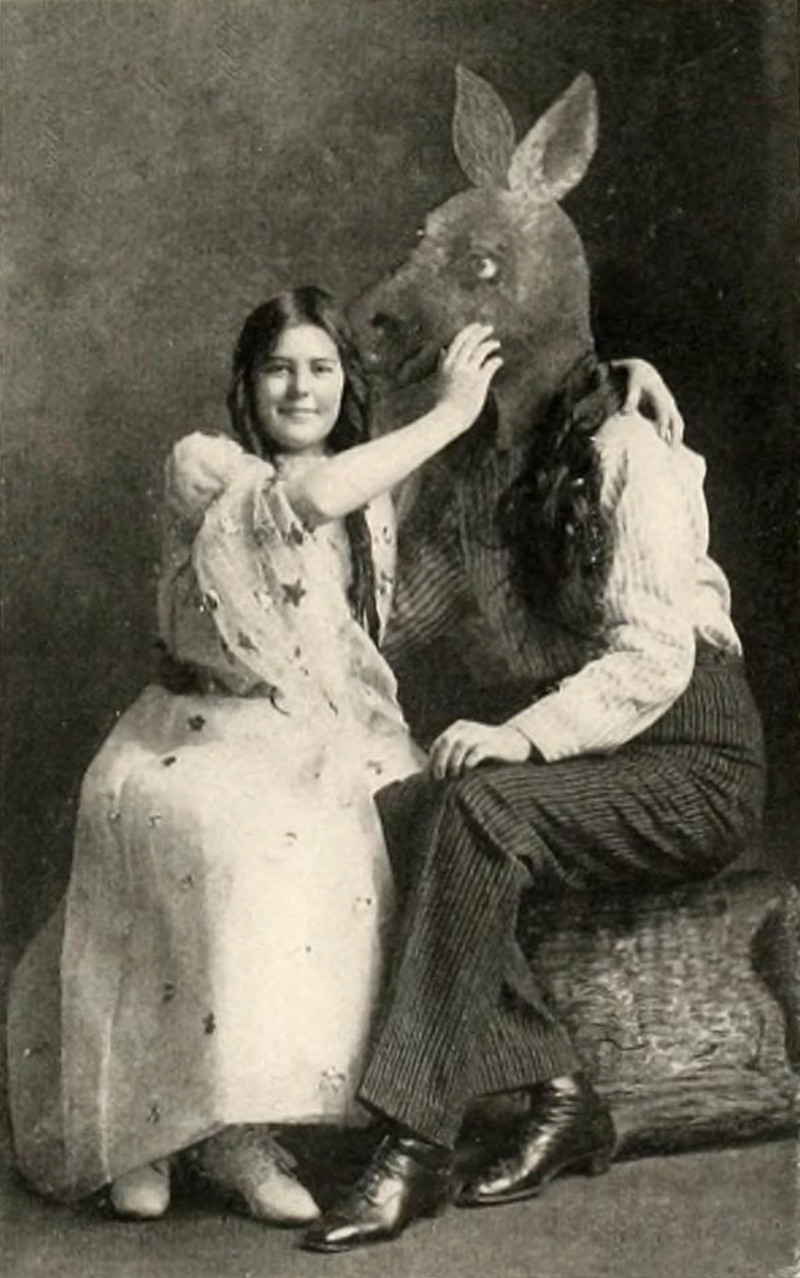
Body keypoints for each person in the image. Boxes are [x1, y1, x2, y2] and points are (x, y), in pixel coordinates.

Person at [7, 285, 677, 1227]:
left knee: (410, 823)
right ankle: (158, 1130)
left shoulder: (375, 495)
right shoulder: (209, 466)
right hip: (194, 732)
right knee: (226, 832)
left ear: (346, 384)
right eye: (278, 369)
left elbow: (379, 548)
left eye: (321, 368)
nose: (300, 388)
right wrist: (449, 414)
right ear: (246, 385)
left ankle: (236, 1135)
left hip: (315, 732)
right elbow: (306, 501)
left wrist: (613, 381)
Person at [302, 349, 766, 1252]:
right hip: (601, 751)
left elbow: (657, 657)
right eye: (454, 384)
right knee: (400, 811)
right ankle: (560, 1095)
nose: (474, 396)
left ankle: (415, 1143)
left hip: (695, 752)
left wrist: (522, 735)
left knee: (480, 809)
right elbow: (386, 620)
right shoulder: (475, 492)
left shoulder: (625, 448)